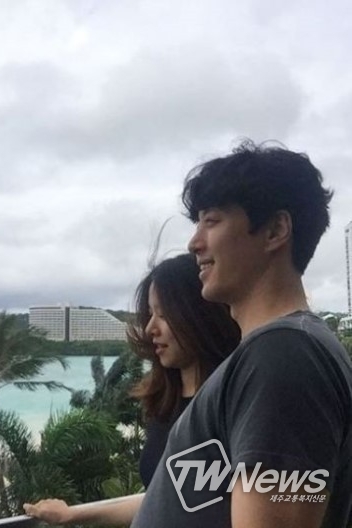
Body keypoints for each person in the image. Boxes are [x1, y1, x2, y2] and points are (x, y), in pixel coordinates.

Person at [131, 141, 352, 528]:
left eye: (212, 221)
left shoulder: (284, 355)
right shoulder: (274, 352)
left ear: (275, 230)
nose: (194, 242)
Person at [24, 253, 241, 525]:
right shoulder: (165, 404)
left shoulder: (234, 403)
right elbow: (162, 498)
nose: (150, 328)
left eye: (164, 314)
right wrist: (73, 514)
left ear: (200, 315)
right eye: (150, 314)